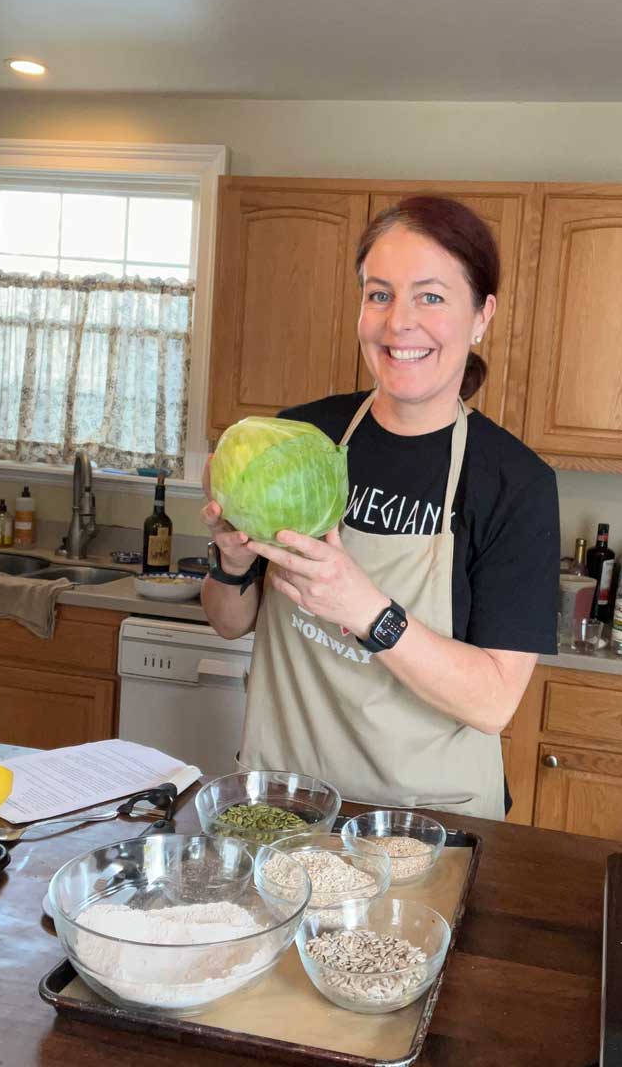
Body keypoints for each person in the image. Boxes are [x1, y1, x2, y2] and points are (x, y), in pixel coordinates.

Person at [201, 196, 559, 820]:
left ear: (482, 316)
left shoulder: (514, 483)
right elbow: (230, 621)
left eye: (431, 297)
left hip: (425, 822)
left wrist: (366, 610)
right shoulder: (300, 442)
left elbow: (492, 701)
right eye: (380, 294)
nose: (399, 324)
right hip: (285, 801)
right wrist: (231, 563)